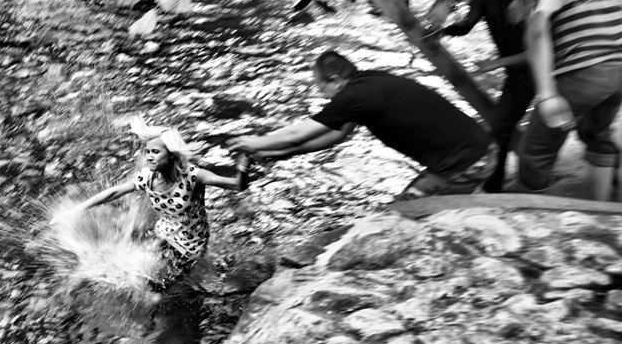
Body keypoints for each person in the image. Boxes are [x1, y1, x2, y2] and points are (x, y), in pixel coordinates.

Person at [229, 50, 495, 200]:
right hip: (476, 152)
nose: (322, 95)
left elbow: (298, 133)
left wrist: (252, 143)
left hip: (467, 164)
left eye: (321, 87)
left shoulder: (353, 96)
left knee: (402, 217)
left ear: (335, 80)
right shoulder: (370, 82)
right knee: (402, 210)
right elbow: (335, 136)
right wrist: (276, 153)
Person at [63, 115, 250, 284]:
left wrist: (243, 166)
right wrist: (78, 209)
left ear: (171, 154)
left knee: (155, 285)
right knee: (125, 255)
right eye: (147, 152)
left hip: (190, 245)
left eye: (155, 152)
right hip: (164, 232)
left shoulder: (194, 176)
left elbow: (237, 185)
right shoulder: (148, 177)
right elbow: (115, 192)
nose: (149, 157)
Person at [516, 0, 622, 200]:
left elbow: (537, 32)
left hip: (586, 69)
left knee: (535, 149)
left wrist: (547, 94)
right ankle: (603, 210)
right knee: (597, 133)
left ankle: (533, 213)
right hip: (619, 66)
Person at [441, 0, 535, 192]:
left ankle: (494, 185)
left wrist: (494, 63)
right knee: (503, 129)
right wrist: (443, 31)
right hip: (522, 73)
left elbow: (532, 54)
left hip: (527, 72)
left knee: (501, 131)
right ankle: (496, 183)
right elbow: (465, 26)